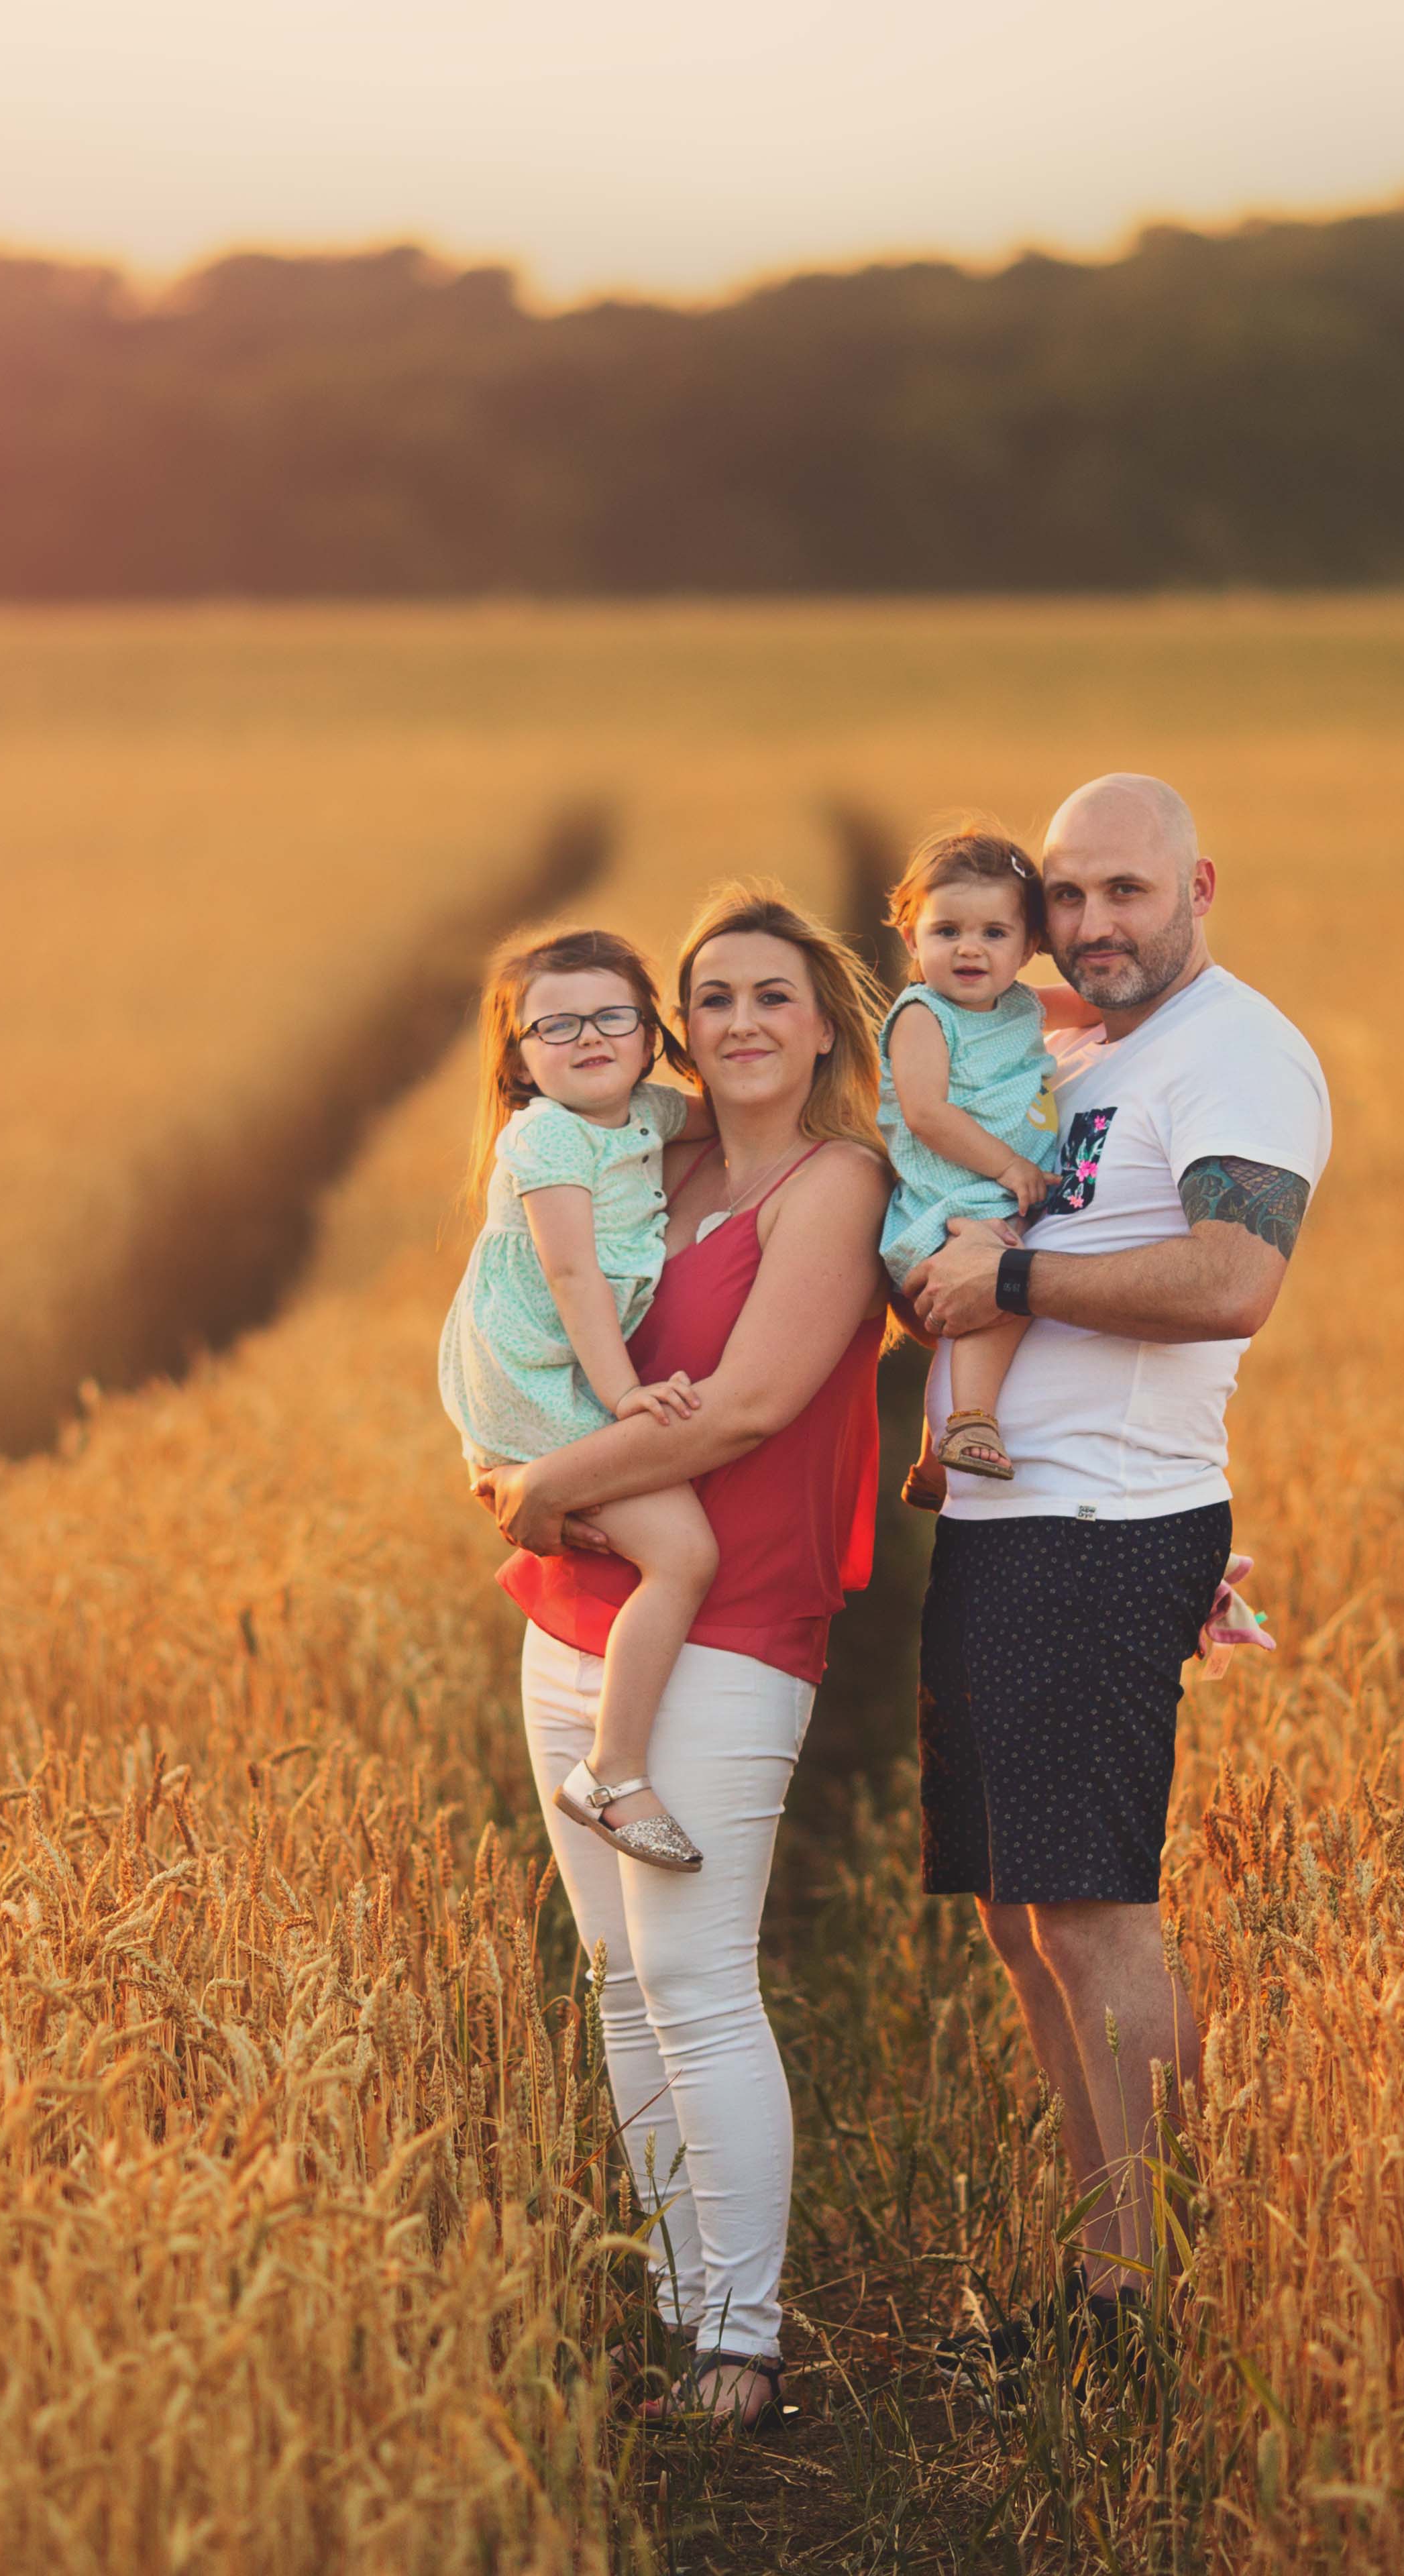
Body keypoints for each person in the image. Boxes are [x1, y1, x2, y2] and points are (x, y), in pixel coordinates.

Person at [906, 772, 1332, 2338]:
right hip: (1006, 1520)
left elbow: (1230, 1275)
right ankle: (1103, 2270)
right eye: (1065, 896)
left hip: (1103, 1524)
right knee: (1017, 1915)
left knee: (1090, 1909)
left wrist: (1007, 1275)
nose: (1086, 926)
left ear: (1196, 885)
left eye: (1122, 894)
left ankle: (1171, 2283)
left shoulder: (1236, 1055)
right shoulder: (1075, 1051)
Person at [472, 883, 895, 2433]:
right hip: (570, 1606)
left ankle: (741, 2332)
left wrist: (536, 1487)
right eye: (708, 998)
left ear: (821, 1022)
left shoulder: (835, 1185)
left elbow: (738, 1411)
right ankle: (673, 2289)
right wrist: (504, 1458)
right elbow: (531, 1293)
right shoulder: (651, 1155)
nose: (736, 1023)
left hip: (734, 1616)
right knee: (611, 1982)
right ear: (675, 1031)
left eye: (769, 995)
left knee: (697, 1978)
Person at [435, 928, 719, 1870]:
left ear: (649, 1036)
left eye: (612, 1017)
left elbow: (731, 1119)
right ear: (518, 1061)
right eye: (554, 1026)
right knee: (681, 1552)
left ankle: (615, 1753)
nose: (587, 1037)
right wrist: (624, 1396)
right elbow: (572, 1274)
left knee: (659, 1542)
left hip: (561, 1363)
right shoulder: (547, 1133)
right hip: (538, 1366)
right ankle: (614, 1771)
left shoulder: (646, 1111)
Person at [870, 824, 1101, 1503]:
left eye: (996, 934)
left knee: (1002, 1304)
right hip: (947, 1212)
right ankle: (970, 1426)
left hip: (986, 1205)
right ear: (912, 939)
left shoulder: (1021, 1006)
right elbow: (926, 1112)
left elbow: (1097, 1006)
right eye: (947, 932)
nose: (969, 948)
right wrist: (1009, 1167)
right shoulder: (924, 1015)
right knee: (1000, 1290)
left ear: (1032, 945)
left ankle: (934, 1461)